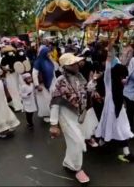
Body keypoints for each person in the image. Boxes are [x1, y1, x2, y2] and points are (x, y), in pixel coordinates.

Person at [50, 53, 91, 184]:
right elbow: (55, 103)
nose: (77, 65)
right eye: (73, 64)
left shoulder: (79, 77)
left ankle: (68, 162)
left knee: (74, 142)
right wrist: (54, 124)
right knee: (78, 142)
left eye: (76, 63)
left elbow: (83, 92)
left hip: (78, 115)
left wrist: (92, 87)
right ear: (67, 66)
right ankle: (77, 169)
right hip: (65, 116)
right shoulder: (60, 82)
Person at [95, 43, 134, 163]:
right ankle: (125, 152)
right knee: (120, 128)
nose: (124, 80)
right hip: (115, 108)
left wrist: (111, 53)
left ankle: (103, 143)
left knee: (111, 126)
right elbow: (109, 69)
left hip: (113, 108)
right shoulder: (112, 83)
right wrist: (110, 54)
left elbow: (110, 70)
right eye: (123, 77)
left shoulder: (113, 83)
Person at [32, 46, 55, 123]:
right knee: (44, 101)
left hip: (51, 82)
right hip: (42, 85)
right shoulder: (38, 62)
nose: (49, 53)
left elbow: (55, 69)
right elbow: (34, 74)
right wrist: (37, 85)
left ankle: (52, 113)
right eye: (48, 52)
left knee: (51, 99)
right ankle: (46, 115)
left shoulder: (49, 60)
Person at [0, 46, 23, 112]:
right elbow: (3, 68)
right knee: (14, 89)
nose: (10, 53)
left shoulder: (6, 59)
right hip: (11, 76)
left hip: (13, 76)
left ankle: (17, 104)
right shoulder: (11, 58)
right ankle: (16, 104)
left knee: (15, 89)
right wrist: (8, 69)